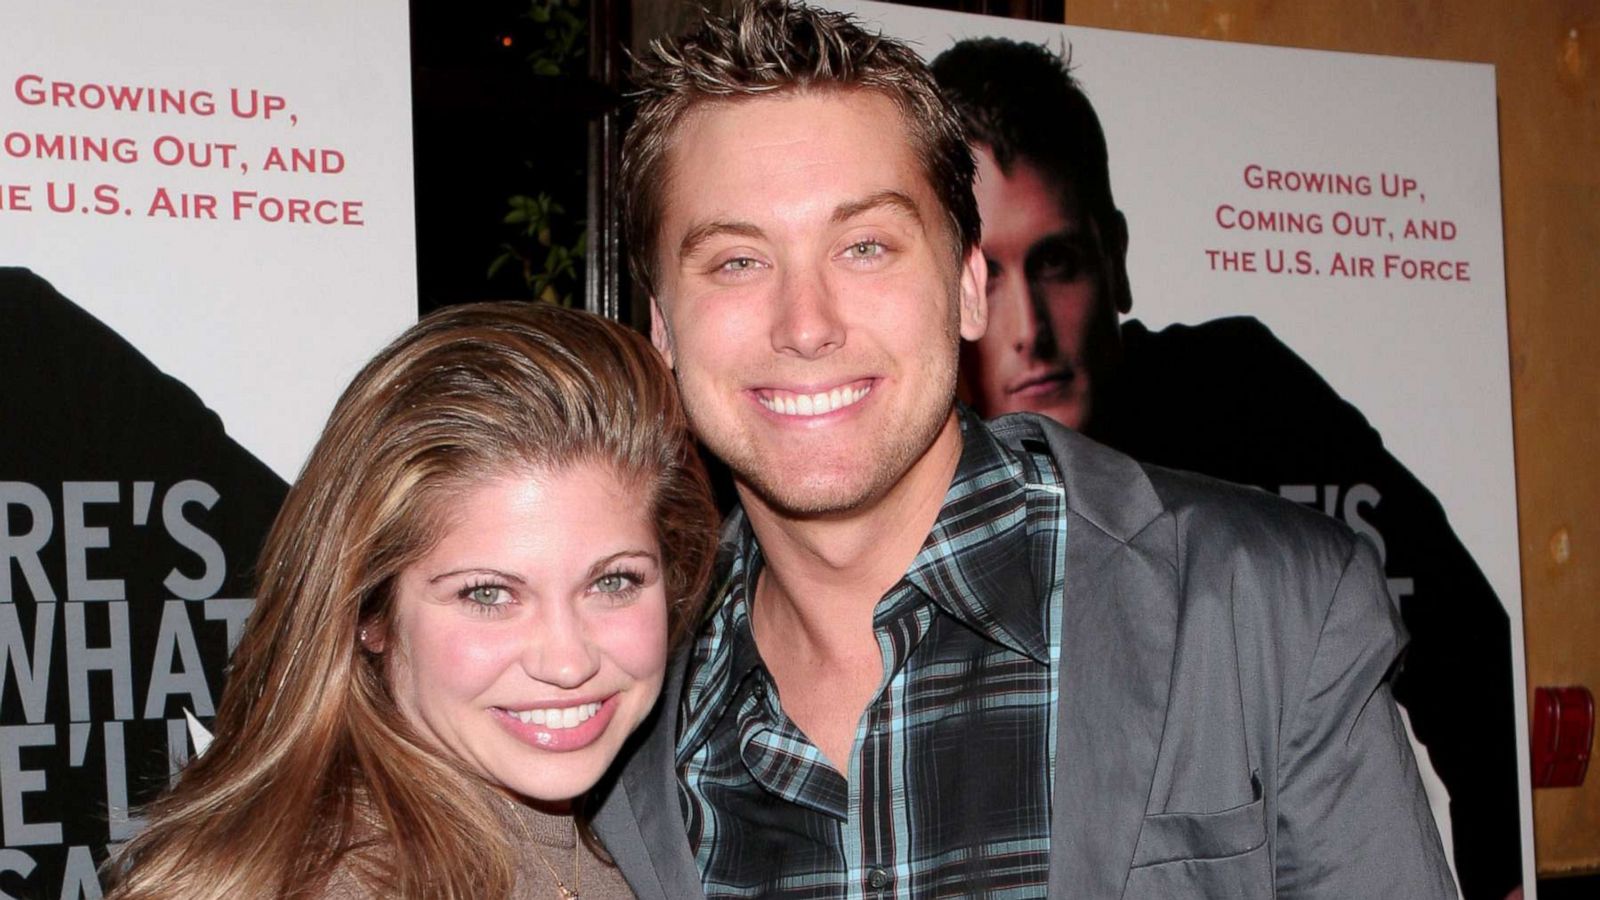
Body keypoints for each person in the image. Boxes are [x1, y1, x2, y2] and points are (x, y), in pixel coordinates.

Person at [592, 1, 1455, 897]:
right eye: (737, 261)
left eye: (865, 245)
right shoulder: (619, 720)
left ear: (967, 288)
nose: (805, 325)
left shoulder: (1264, 614)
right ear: (662, 328)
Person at [931, 37, 1522, 899]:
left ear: (1117, 259)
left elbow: (1470, 649)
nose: (1032, 330)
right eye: (986, 273)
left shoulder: (1246, 400)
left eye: (1057, 264)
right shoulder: (897, 479)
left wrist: (1506, 873)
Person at [103, 302, 718, 899]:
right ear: (371, 613)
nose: (567, 662)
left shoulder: (628, 827)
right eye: (488, 594)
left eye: (613, 583)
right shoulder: (334, 879)